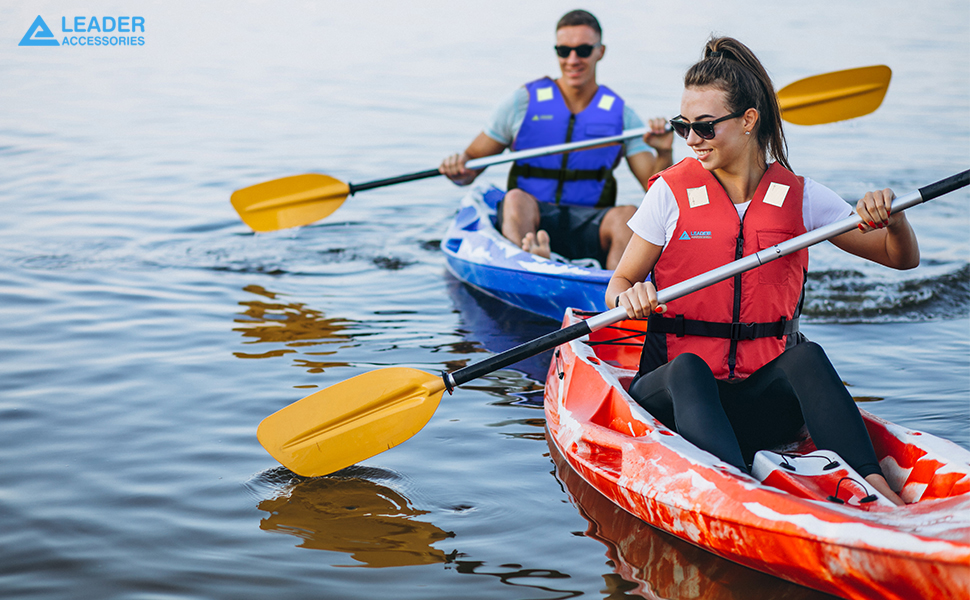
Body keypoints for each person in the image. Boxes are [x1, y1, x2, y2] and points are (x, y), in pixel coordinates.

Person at [606, 36, 919, 506]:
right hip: (677, 399)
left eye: (705, 127)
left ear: (749, 120)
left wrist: (895, 219)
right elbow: (619, 284)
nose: (691, 140)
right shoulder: (669, 194)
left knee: (805, 356)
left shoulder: (801, 196)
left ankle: (877, 488)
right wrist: (626, 297)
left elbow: (900, 257)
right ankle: (734, 494)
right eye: (682, 126)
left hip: (760, 405)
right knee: (689, 368)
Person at [439, 9, 672, 269]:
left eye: (583, 50)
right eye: (564, 51)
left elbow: (656, 195)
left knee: (628, 215)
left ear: (600, 51)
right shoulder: (521, 103)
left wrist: (663, 153)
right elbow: (470, 168)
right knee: (515, 199)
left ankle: (615, 293)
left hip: (590, 223)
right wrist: (458, 167)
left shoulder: (622, 117)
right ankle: (529, 263)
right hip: (534, 218)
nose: (573, 60)